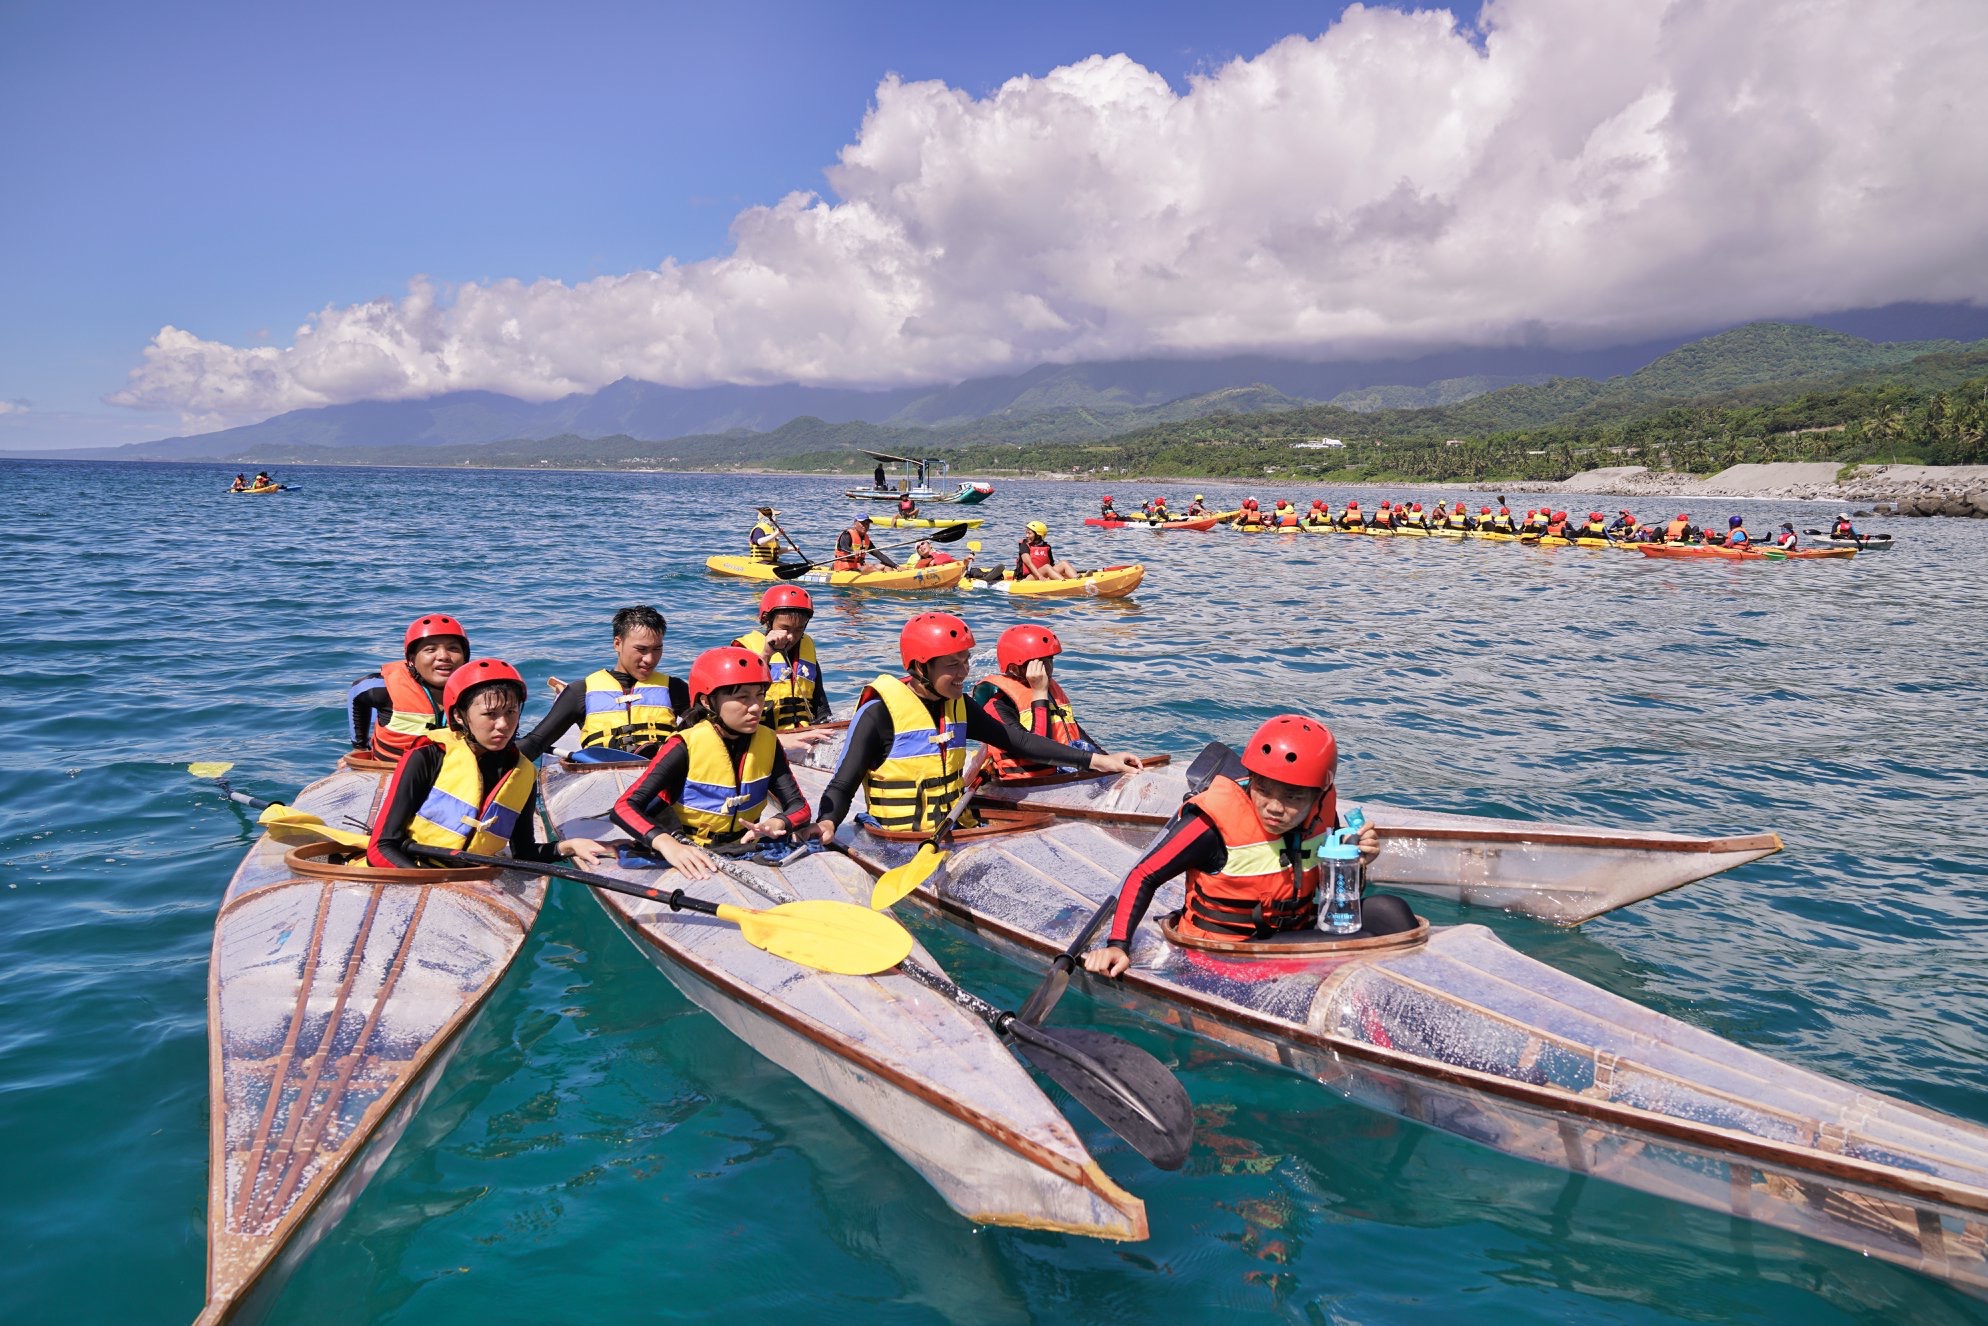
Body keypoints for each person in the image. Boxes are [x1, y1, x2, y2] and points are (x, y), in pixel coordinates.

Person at [1081, 714, 1409, 978]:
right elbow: (1143, 875)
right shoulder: (1210, 824)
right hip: (1227, 956)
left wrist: (1354, 863)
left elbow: (1330, 895)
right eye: (1264, 790)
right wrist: (1117, 945)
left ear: (1318, 794)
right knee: (1366, 941)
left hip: (1292, 936)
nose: (1275, 807)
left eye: (1293, 797)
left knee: (1389, 909)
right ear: (1252, 779)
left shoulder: (1323, 815)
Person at [813, 614, 1143, 837]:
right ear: (919, 667)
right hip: (897, 839)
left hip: (956, 829)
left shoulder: (960, 706)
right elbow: (843, 785)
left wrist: (1101, 761)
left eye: (966, 661)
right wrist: (827, 822)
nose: (963, 672)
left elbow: (1019, 741)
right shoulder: (878, 714)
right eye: (952, 665)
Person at [367, 659, 611, 871]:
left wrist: (567, 847)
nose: (504, 724)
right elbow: (381, 848)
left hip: (473, 877)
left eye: (511, 712)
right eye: (490, 714)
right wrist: (432, 881)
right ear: (459, 716)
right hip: (414, 869)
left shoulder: (523, 772)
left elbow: (523, 852)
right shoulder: (426, 758)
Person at [609, 647, 819, 880]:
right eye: (742, 698)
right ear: (707, 702)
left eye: (760, 695)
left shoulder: (768, 742)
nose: (755, 707)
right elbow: (624, 807)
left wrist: (777, 821)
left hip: (745, 848)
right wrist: (667, 844)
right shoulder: (684, 745)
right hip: (691, 849)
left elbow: (800, 808)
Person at [517, 605, 687, 761]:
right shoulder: (580, 692)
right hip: (602, 774)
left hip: (661, 774)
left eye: (657, 649)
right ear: (617, 644)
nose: (650, 659)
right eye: (641, 649)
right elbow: (535, 743)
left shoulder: (674, 688)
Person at [970, 625, 1099, 782]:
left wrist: (1110, 761)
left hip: (1059, 778)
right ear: (1014, 669)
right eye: (1039, 664)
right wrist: (1039, 694)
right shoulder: (997, 706)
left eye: (1050, 661)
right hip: (1023, 787)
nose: (1048, 670)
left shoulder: (1051, 694)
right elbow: (1037, 750)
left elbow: (1079, 736)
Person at [349, 613, 471, 763]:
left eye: (453, 648)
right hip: (389, 771)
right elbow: (356, 692)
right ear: (412, 660)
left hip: (451, 774)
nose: (443, 656)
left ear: (465, 658)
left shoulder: (479, 693)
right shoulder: (384, 688)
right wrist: (359, 746)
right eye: (430, 649)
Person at [732, 585, 831, 733]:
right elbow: (738, 698)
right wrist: (766, 654)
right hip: (766, 736)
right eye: (785, 628)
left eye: (799, 629)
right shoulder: (744, 649)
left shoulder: (807, 648)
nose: (791, 636)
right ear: (767, 620)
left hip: (805, 736)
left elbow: (820, 703)